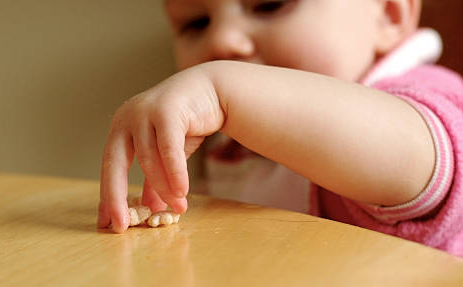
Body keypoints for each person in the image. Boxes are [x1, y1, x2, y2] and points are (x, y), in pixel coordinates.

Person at [98, 0, 463, 256]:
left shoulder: (421, 96)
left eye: (269, 4)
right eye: (196, 22)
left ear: (388, 15)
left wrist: (221, 88)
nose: (221, 40)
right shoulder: (232, 146)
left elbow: (416, 163)